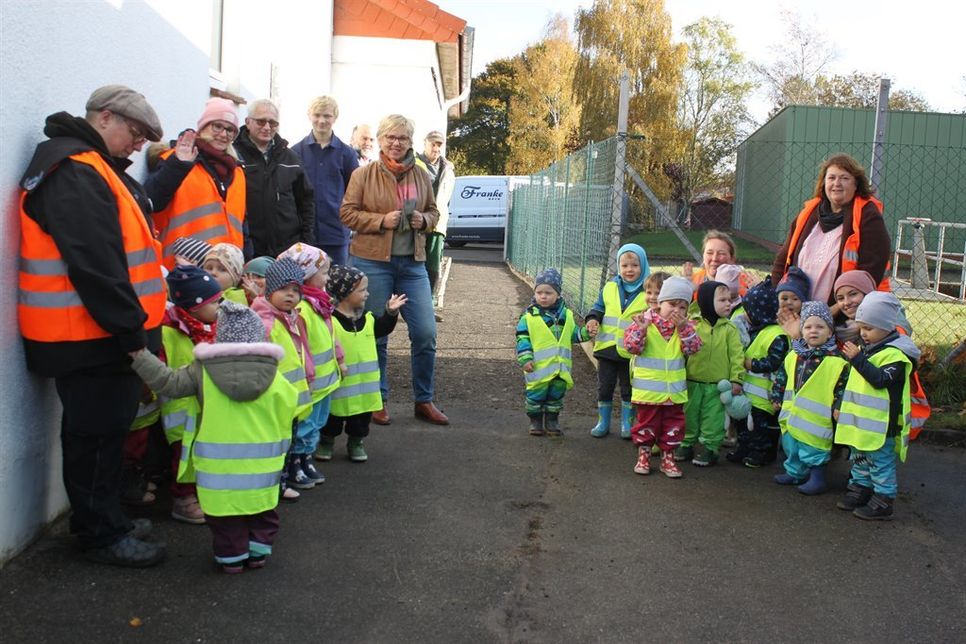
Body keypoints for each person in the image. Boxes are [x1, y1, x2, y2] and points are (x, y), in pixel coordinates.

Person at [18, 84, 166, 566]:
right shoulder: (75, 170)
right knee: (97, 438)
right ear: (104, 118)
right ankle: (100, 534)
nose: (139, 145)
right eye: (135, 132)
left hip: (94, 333)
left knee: (104, 433)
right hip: (90, 336)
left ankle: (105, 520)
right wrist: (131, 333)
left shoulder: (88, 166)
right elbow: (97, 264)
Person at [129, 300, 299, 572]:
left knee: (224, 513)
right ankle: (258, 552)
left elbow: (168, 383)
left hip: (217, 468)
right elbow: (291, 409)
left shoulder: (202, 370)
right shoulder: (275, 375)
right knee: (261, 508)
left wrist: (140, 356)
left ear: (221, 336)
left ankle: (231, 557)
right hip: (263, 467)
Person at [340, 114, 448, 426]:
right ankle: (378, 399)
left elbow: (433, 212)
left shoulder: (421, 175)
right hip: (372, 262)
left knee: (425, 332)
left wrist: (424, 221)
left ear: (410, 141)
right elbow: (347, 213)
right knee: (376, 334)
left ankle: (424, 400)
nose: (396, 143)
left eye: (402, 138)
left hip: (412, 264)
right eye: (390, 137)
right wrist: (380, 221)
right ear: (381, 139)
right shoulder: (363, 174)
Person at [837, 292, 920, 520]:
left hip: (882, 425)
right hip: (862, 422)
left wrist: (857, 359)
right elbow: (853, 382)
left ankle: (884, 499)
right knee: (859, 457)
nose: (863, 333)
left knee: (880, 462)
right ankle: (860, 488)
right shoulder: (870, 348)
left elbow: (880, 379)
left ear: (886, 326)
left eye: (869, 328)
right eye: (861, 327)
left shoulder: (896, 356)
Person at [771, 153, 891, 307]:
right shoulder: (808, 213)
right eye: (831, 178)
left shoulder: (868, 216)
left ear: (856, 185)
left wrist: (833, 312)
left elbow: (871, 271)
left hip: (846, 311)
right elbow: (783, 260)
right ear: (823, 183)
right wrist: (779, 299)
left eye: (844, 178)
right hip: (798, 311)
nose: (837, 183)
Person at [146, 98, 246, 269]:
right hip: (181, 268)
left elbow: (243, 225)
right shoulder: (177, 160)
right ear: (203, 127)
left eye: (230, 130)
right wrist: (178, 165)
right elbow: (150, 200)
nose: (224, 134)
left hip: (225, 272)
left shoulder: (237, 172)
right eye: (217, 126)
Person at [159, 265, 223, 525]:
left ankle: (200, 493)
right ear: (195, 306)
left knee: (202, 452)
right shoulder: (169, 331)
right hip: (180, 409)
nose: (219, 307)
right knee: (183, 457)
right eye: (214, 302)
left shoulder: (209, 327)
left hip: (206, 406)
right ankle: (183, 499)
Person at [325, 264, 408, 461]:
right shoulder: (329, 321)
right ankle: (326, 442)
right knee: (331, 419)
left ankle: (356, 442)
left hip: (364, 390)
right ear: (345, 293)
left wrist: (390, 312)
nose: (367, 294)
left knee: (360, 422)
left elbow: (383, 328)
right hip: (338, 386)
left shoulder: (368, 319)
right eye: (362, 290)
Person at [833, 271, 929, 437]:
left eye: (853, 294)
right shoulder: (846, 327)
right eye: (840, 298)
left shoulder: (890, 332)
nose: (846, 302)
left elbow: (882, 379)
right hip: (862, 419)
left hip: (884, 421)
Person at [623, 276, 702, 478]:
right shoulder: (644, 322)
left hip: (674, 393)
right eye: (672, 304)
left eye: (682, 307)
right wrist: (641, 331)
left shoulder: (685, 328)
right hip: (648, 393)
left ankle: (668, 458)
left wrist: (684, 329)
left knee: (673, 427)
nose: (677, 311)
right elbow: (631, 347)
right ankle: (644, 456)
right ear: (660, 302)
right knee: (646, 426)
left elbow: (694, 348)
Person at [277, 244, 345, 475]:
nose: (328, 277)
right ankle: (297, 463)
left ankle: (306, 459)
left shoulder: (320, 303)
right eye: (324, 272)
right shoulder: (303, 309)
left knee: (317, 422)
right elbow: (301, 346)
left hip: (324, 381)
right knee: (305, 424)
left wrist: (339, 359)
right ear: (306, 274)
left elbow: (331, 335)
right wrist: (308, 375)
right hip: (312, 382)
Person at [251, 258, 315, 495]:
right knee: (274, 441)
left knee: (287, 439)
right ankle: (274, 484)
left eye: (295, 290)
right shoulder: (265, 322)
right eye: (283, 288)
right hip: (273, 395)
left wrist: (309, 374)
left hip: (291, 394)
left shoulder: (295, 317)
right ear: (269, 290)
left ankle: (283, 481)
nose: (290, 295)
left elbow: (304, 348)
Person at [771, 302, 849, 495]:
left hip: (817, 418)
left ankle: (817, 478)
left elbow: (843, 387)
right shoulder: (793, 355)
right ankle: (794, 472)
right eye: (808, 327)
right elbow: (782, 377)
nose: (813, 331)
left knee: (815, 447)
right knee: (792, 445)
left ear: (830, 333)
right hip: (791, 414)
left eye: (820, 326)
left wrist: (838, 406)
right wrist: (777, 396)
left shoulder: (836, 361)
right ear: (802, 331)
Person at [674, 281, 744, 467]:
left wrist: (736, 379)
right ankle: (686, 443)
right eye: (722, 300)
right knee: (689, 415)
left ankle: (710, 448)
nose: (728, 303)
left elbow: (737, 356)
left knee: (713, 418)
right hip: (692, 381)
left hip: (718, 384)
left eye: (729, 300)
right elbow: (682, 350)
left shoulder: (730, 329)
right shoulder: (693, 325)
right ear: (706, 301)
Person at [584, 244, 650, 438]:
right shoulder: (610, 287)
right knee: (605, 387)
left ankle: (627, 424)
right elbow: (599, 307)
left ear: (643, 265)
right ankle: (603, 422)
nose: (629, 270)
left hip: (631, 351)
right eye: (624, 265)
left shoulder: (648, 292)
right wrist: (593, 319)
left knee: (629, 389)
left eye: (635, 265)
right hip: (607, 348)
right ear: (619, 266)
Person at [516, 268, 593, 437]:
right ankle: (535, 421)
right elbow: (522, 339)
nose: (543, 296)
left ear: (558, 294)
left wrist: (586, 333)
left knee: (556, 396)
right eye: (539, 292)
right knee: (535, 395)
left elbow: (574, 334)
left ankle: (552, 420)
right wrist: (525, 358)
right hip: (538, 368)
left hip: (560, 369)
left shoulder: (567, 315)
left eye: (548, 293)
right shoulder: (528, 317)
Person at [234, 98, 315, 258]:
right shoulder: (234, 155)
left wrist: (306, 243)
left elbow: (306, 202)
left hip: (287, 250)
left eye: (272, 123)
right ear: (248, 122)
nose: (267, 127)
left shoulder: (290, 158)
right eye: (261, 121)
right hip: (248, 249)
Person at [292, 96, 359, 266]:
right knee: (305, 281)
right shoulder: (295, 152)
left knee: (337, 280)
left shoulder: (347, 154)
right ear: (309, 115)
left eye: (327, 116)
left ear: (335, 117)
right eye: (317, 115)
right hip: (304, 234)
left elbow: (355, 193)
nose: (321, 121)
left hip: (336, 235)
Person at [730, 281, 790, 468]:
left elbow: (775, 361)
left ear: (759, 312)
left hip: (764, 396)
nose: (745, 315)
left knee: (760, 427)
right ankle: (744, 447)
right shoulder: (754, 330)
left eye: (748, 311)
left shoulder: (776, 335)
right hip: (748, 392)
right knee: (743, 423)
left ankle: (761, 452)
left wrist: (752, 364)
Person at [415, 130, 457, 299]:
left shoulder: (448, 169)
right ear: (425, 143)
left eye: (439, 144)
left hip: (437, 224)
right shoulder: (414, 164)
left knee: (433, 264)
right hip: (416, 222)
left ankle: (429, 300)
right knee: (414, 262)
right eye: (433, 144)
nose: (436, 148)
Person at [682, 230, 756, 297]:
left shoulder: (747, 283)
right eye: (709, 253)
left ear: (732, 259)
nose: (714, 258)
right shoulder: (692, 281)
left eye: (721, 253)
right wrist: (685, 288)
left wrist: (756, 291)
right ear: (703, 256)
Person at [775, 266, 811, 340]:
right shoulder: (772, 318)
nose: (789, 302)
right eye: (784, 298)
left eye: (795, 299)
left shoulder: (808, 322)